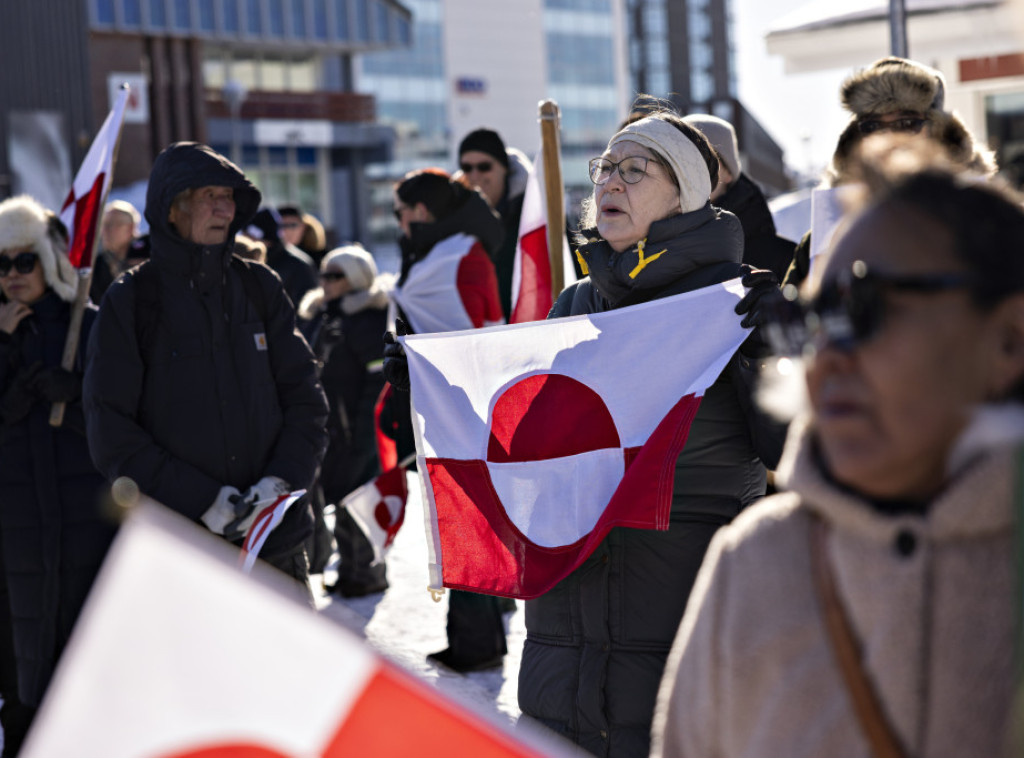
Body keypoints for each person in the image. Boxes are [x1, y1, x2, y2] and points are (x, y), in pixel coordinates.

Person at [651, 144, 1024, 757]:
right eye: (811, 318)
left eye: (861, 305)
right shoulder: (755, 560)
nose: (826, 357)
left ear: (1010, 338)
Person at [511, 107, 786, 757]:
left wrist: (780, 350)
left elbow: (794, 455)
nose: (610, 183)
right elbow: (534, 456)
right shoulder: (575, 303)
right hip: (565, 639)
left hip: (676, 627)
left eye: (635, 170)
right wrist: (455, 415)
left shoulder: (734, 305)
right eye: (605, 168)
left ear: (686, 192)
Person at [83, 142, 329, 596]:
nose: (222, 207)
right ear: (171, 208)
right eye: (207, 196)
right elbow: (110, 433)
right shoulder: (132, 301)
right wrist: (205, 501)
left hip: (275, 548)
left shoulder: (260, 286)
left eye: (228, 196)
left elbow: (306, 401)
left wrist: (279, 482)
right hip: (181, 555)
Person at [0, 196, 118, 752]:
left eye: (23, 261)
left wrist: (76, 403)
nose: (12, 275)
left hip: (85, 521)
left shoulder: (90, 326)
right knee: (20, 666)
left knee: (86, 656)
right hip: (14, 529)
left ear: (48, 260)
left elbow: (124, 425)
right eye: (0, 265)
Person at [385, 167, 507, 673]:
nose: (399, 222)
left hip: (462, 410)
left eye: (402, 212)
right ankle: (475, 637)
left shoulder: (458, 253)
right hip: (444, 407)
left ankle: (477, 643)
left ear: (423, 212)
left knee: (466, 524)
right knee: (458, 523)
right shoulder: (445, 251)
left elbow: (489, 327)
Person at [783, 56, 997, 289]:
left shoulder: (993, 221)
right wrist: (773, 305)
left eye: (907, 123)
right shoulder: (828, 238)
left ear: (937, 132)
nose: (890, 138)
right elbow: (803, 318)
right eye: (873, 126)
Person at [298, 244, 391, 594]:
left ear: (354, 279)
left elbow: (377, 381)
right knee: (339, 498)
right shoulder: (322, 314)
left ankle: (367, 574)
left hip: (356, 427)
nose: (325, 281)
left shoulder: (367, 318)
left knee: (359, 500)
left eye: (334, 275)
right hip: (329, 426)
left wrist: (366, 431)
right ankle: (352, 570)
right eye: (323, 273)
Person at [683, 113, 796, 279]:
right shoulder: (656, 247)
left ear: (729, 172)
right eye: (681, 161)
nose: (690, 171)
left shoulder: (783, 258)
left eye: (704, 160)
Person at [457, 128, 532, 319]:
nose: (475, 175)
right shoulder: (456, 219)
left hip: (531, 328)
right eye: (467, 168)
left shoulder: (534, 212)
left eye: (484, 167)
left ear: (504, 168)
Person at [248, 206, 319, 307]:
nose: (243, 240)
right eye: (283, 226)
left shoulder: (298, 265)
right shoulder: (251, 260)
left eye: (292, 225)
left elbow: (306, 311)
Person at [90, 199, 141, 303]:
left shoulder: (145, 258)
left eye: (113, 224)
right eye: (104, 225)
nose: (106, 231)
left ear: (131, 228)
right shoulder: (97, 266)